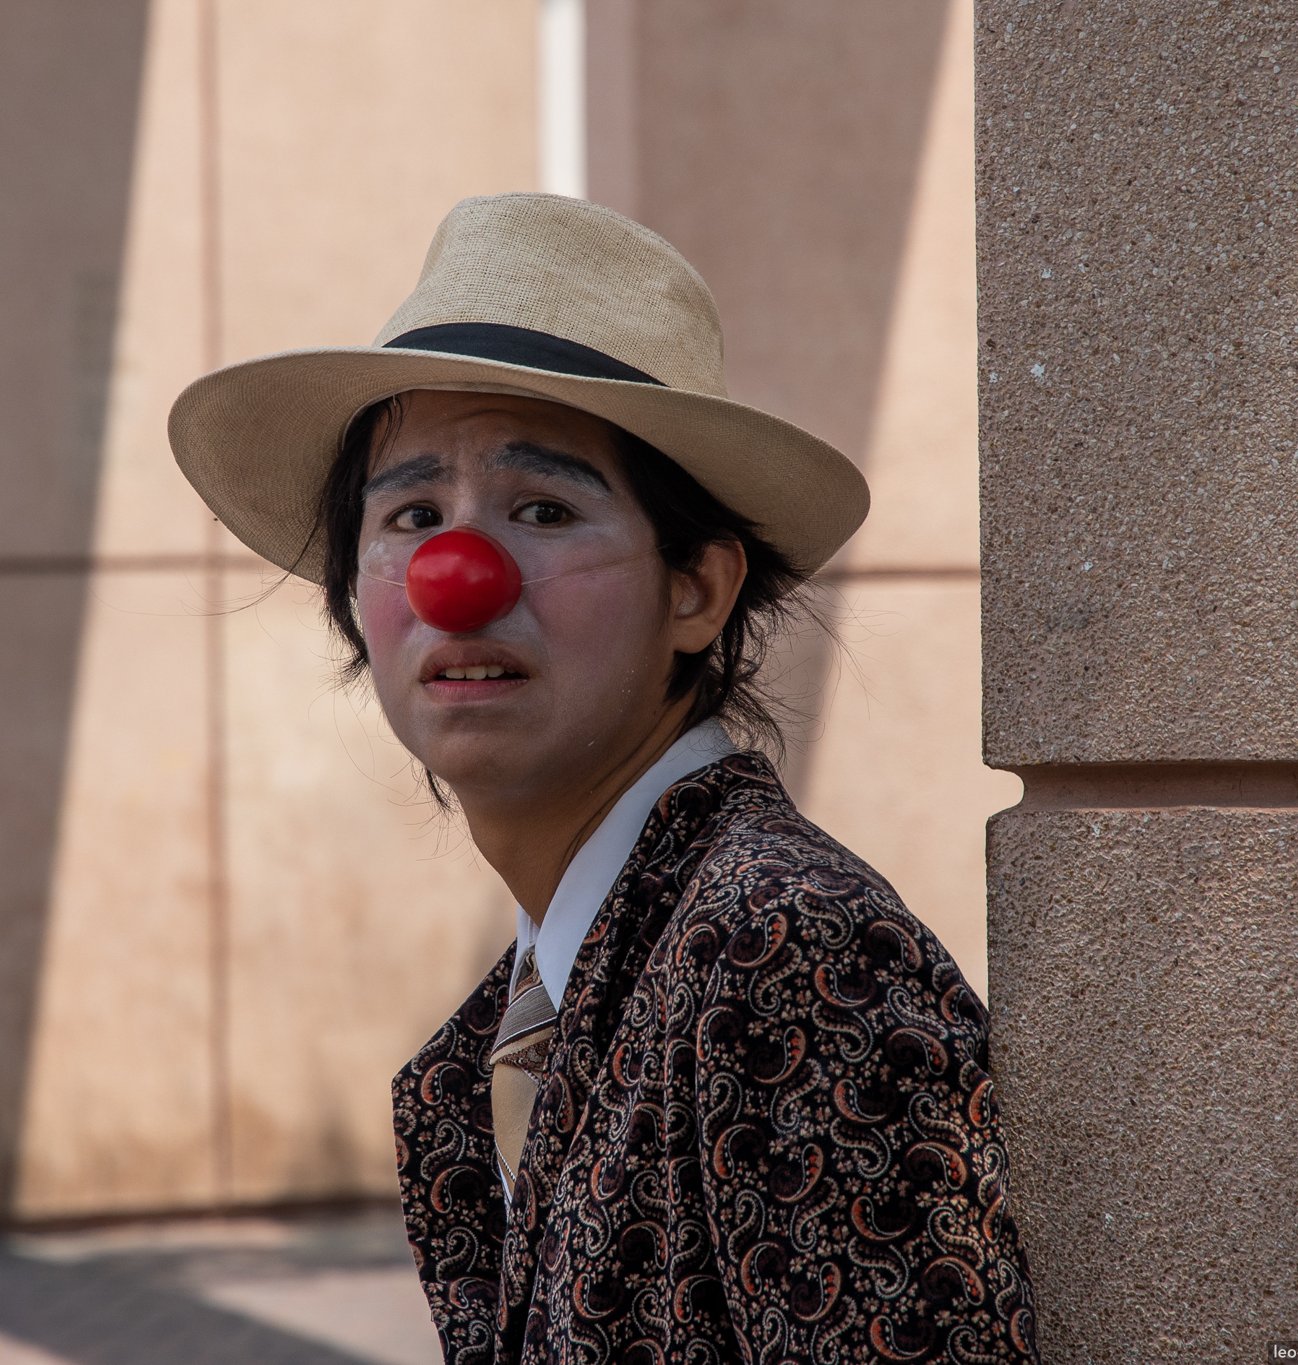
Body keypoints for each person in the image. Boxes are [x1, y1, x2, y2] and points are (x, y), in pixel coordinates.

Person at [168, 195, 1041, 1362]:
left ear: (696, 590)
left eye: (543, 509)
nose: (456, 577)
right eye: (412, 515)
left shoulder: (781, 946)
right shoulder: (548, 999)